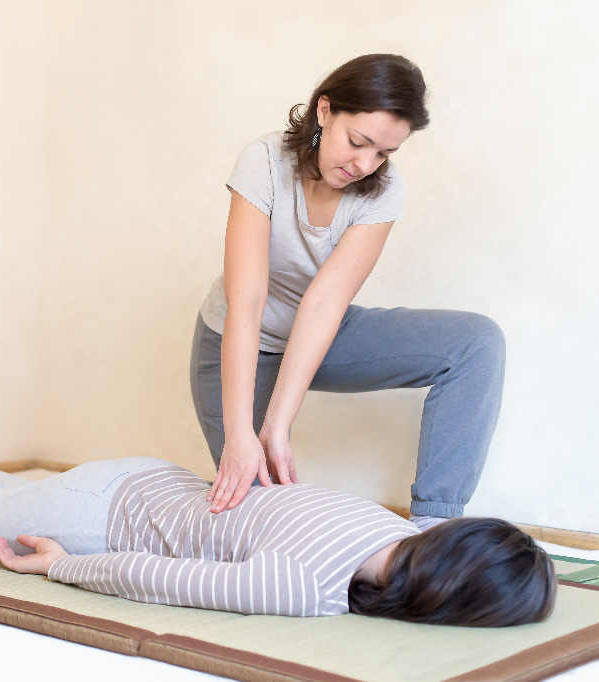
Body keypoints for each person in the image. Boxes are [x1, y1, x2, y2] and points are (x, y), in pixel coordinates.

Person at [191, 54, 507, 525]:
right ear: (325, 111)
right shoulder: (263, 161)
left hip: (321, 332)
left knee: (476, 342)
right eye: (358, 142)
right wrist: (244, 431)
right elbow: (247, 300)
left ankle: (435, 528)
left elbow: (324, 303)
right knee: (262, 518)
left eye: (383, 153)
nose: (365, 164)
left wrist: (277, 425)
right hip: (236, 345)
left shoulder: (383, 191)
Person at [0, 455, 555, 626]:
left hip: (145, 474)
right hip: (98, 521)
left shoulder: (393, 523)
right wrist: (65, 569)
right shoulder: (305, 591)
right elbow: (153, 578)